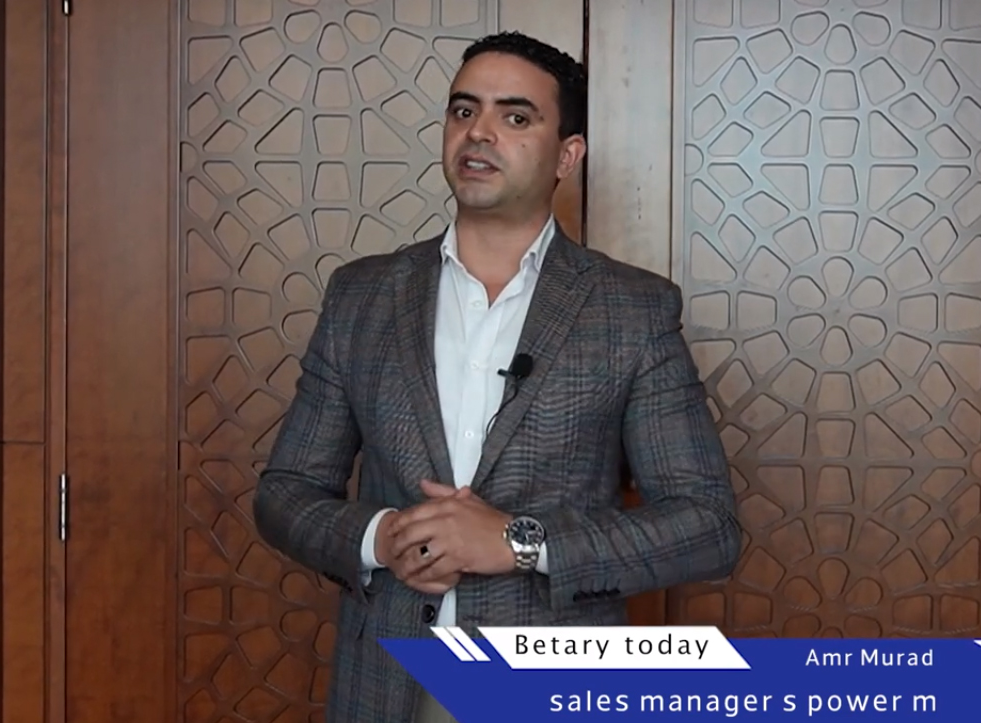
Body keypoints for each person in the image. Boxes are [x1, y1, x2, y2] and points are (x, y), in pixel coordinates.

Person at [251, 30, 741, 723]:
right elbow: (285, 493)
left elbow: (706, 526)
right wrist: (381, 536)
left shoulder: (631, 310)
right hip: (388, 685)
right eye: (464, 110)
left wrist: (517, 542)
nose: (479, 132)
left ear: (566, 155)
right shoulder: (362, 296)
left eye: (515, 116)